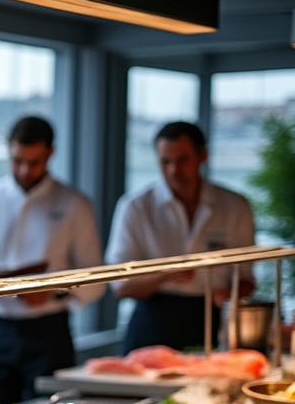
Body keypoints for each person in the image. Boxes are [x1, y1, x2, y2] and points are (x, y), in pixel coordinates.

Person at [0, 116, 103, 404]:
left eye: (33, 162)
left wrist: (54, 292)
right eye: (17, 161)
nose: (24, 170)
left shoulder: (74, 204)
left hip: (50, 330)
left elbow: (95, 279)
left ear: (50, 153)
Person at [106, 121, 254, 352]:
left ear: (202, 155)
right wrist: (166, 273)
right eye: (165, 162)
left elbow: (247, 279)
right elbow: (121, 287)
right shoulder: (135, 206)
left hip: (211, 317)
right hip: (153, 319)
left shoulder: (235, 205)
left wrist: (229, 294)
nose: (173, 170)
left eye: (182, 160)